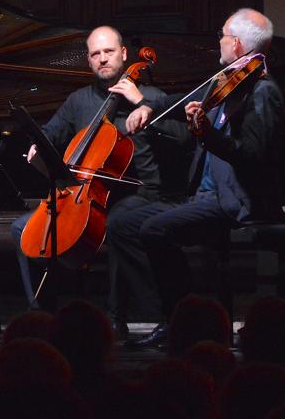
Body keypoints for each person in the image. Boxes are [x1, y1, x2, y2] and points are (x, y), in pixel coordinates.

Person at [108, 8, 285, 347]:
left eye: (222, 35)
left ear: (235, 44)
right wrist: (147, 105)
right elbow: (183, 100)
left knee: (154, 229)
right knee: (122, 224)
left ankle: (187, 318)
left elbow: (252, 156)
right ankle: (175, 313)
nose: (218, 41)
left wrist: (208, 135)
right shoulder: (226, 84)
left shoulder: (261, 92)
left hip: (233, 200)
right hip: (202, 196)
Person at [11, 26, 185, 336]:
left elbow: (184, 138)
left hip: (141, 194)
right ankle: (42, 316)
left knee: (118, 221)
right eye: (95, 54)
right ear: (88, 61)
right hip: (86, 194)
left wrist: (140, 100)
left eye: (108, 51)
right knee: (22, 229)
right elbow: (52, 132)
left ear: (123, 54)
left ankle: (115, 317)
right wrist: (39, 145)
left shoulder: (153, 97)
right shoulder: (79, 101)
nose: (102, 59)